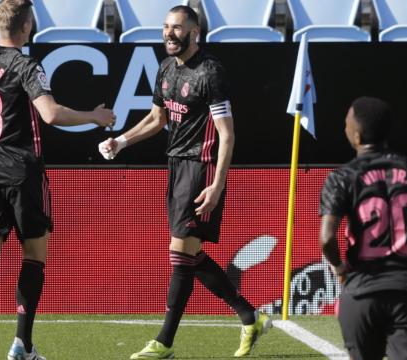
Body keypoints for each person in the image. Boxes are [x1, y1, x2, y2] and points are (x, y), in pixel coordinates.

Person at [99, 5, 270, 359]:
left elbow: (227, 134)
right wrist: (122, 141)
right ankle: (248, 315)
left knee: (179, 254)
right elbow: (156, 119)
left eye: (177, 28)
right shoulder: (165, 69)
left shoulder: (210, 72)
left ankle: (163, 343)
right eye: (165, 27)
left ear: (194, 32)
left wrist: (218, 184)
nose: (169, 33)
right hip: (177, 166)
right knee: (189, 255)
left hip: (201, 166)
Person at [0, 1, 115, 359]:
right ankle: (21, 343)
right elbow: (51, 114)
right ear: (25, 27)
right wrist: (95, 116)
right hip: (22, 172)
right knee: (35, 256)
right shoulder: (26, 65)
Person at [319, 97, 407, 360]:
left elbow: (327, 238)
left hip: (361, 291)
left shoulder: (342, 177)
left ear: (357, 135)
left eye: (346, 124)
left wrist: (339, 268)